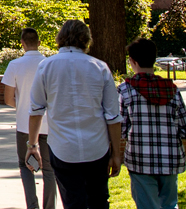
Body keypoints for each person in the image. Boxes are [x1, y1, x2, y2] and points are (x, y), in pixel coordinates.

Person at [26, 20, 124, 209]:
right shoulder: (100, 67)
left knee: (72, 202)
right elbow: (113, 116)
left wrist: (32, 145)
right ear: (86, 39)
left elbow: (36, 110)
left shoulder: (46, 67)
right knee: (99, 200)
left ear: (60, 38)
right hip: (97, 147)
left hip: (63, 147)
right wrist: (116, 153)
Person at [121, 39, 186, 209]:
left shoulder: (126, 91)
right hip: (170, 159)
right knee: (170, 204)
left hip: (140, 159)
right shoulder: (173, 90)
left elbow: (122, 130)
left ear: (132, 61)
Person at [3, 28, 55, 209]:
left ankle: (32, 206)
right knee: (49, 169)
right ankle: (50, 206)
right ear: (39, 42)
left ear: (22, 43)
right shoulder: (49, 64)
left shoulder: (15, 65)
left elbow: (8, 99)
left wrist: (24, 105)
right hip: (48, 125)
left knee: (26, 166)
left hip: (24, 125)